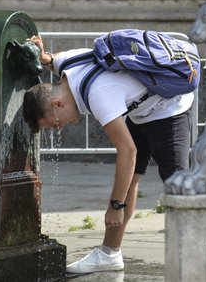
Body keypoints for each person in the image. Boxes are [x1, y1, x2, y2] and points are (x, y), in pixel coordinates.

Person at [23, 35, 192, 274]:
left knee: (178, 186)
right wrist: (43, 58)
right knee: (130, 178)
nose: (58, 128)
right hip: (141, 109)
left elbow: (128, 151)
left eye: (53, 124)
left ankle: (204, 249)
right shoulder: (67, 65)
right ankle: (109, 254)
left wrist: (116, 205)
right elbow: (53, 61)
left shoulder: (99, 96)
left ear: (58, 105)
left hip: (169, 107)